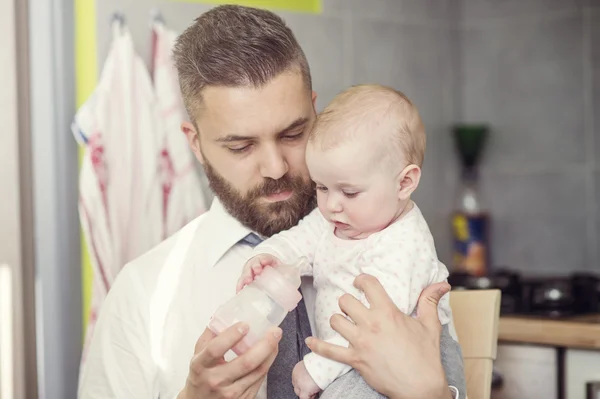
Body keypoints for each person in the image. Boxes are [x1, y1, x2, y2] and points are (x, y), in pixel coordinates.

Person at [78, 5, 465, 399]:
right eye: (242, 146)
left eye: (293, 134)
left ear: (315, 112)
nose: (276, 167)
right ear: (195, 143)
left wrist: (429, 393)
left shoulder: (392, 247)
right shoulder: (141, 295)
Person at [237, 84, 454, 398]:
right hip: (355, 357)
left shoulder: (404, 244)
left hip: (408, 361)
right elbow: (300, 240)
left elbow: (377, 330)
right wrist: (271, 255)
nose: (331, 204)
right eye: (322, 188)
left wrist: (318, 368)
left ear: (404, 183)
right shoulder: (339, 218)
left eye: (349, 192)